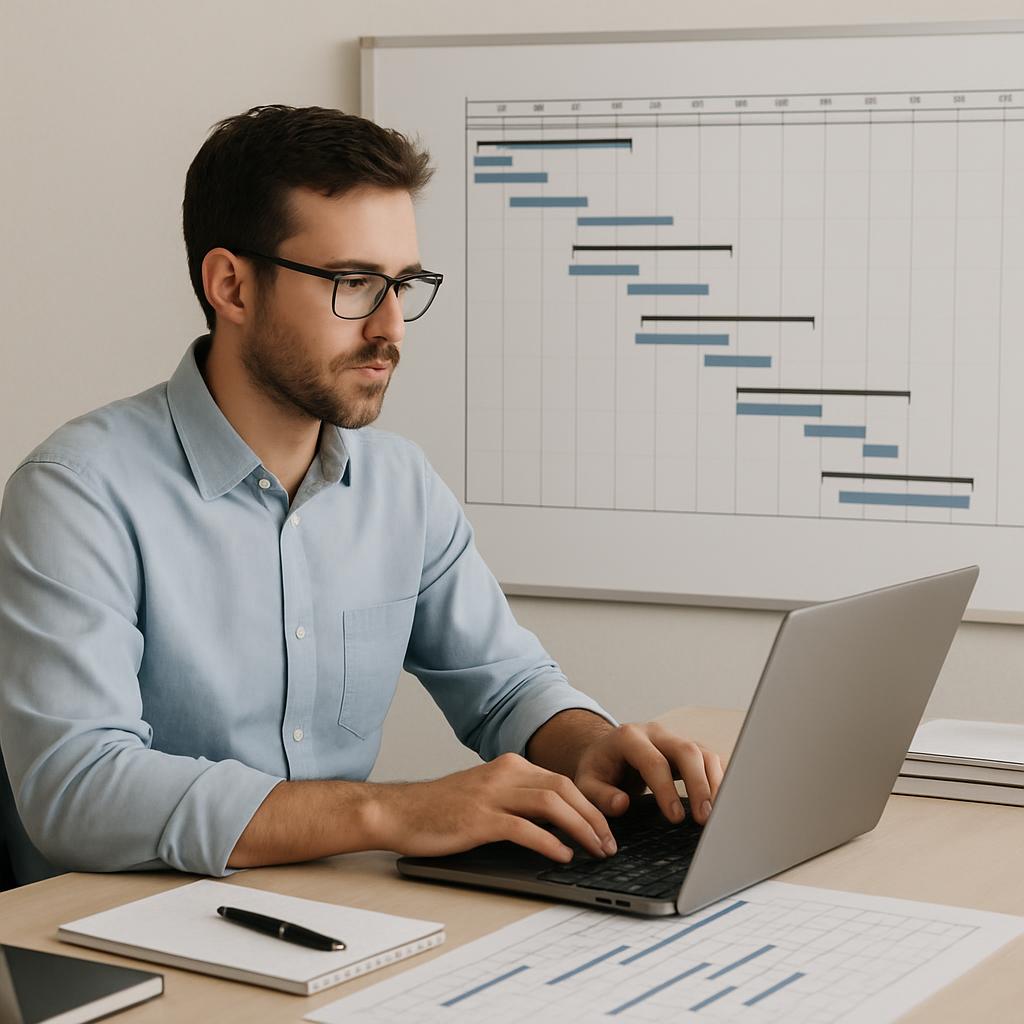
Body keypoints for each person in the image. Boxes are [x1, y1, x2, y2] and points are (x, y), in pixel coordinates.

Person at [0, 105, 722, 886]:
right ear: (232, 286)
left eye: (403, 285)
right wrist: (391, 812)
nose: (392, 328)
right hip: (115, 930)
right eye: (354, 284)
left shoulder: (399, 484)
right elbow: (77, 791)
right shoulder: (77, 494)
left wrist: (591, 746)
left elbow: (506, 685)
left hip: (337, 912)